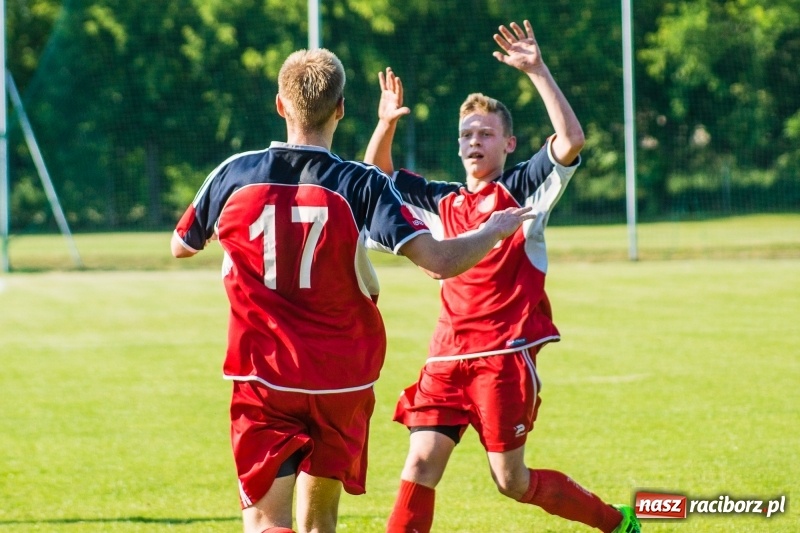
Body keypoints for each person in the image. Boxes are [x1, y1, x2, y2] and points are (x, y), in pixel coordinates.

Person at [170, 47, 533, 533]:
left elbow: (181, 245)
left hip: (264, 377)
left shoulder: (235, 174)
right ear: (340, 109)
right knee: (320, 524)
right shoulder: (359, 184)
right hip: (342, 382)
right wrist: (496, 227)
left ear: (280, 105)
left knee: (263, 522)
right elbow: (442, 262)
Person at [364, 20, 641, 533]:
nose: (474, 141)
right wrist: (387, 123)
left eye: (485, 134)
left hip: (502, 358)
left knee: (511, 482)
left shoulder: (523, 190)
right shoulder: (442, 201)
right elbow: (376, 176)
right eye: (466, 134)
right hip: (446, 357)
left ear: (509, 143)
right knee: (420, 463)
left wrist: (536, 69)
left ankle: (615, 522)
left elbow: (572, 139)